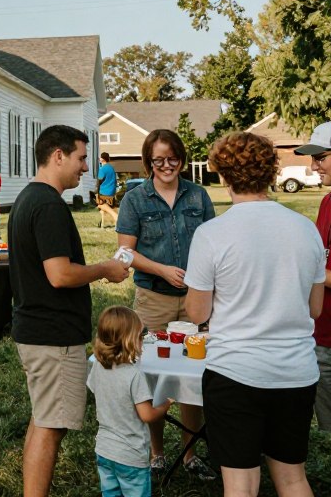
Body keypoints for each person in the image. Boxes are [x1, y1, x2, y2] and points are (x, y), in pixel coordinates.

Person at [185, 132, 325, 497]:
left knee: (241, 485)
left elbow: (198, 311)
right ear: (270, 173)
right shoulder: (305, 229)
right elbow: (316, 308)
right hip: (295, 371)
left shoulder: (212, 233)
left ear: (223, 175)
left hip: (235, 372)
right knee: (293, 478)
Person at [8, 125, 129, 497]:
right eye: (80, 158)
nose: (85, 168)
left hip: (36, 330)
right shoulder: (47, 205)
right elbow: (59, 275)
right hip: (52, 335)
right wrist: (105, 270)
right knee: (50, 426)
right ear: (57, 155)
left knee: (42, 421)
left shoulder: (29, 199)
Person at [115, 129, 216, 481]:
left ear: (182, 160)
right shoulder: (135, 199)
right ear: (148, 162)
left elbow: (213, 244)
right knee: (153, 377)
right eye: (158, 160)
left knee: (193, 377)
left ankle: (189, 454)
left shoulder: (198, 196)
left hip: (195, 301)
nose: (166, 166)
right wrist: (161, 269)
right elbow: (124, 252)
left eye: (172, 159)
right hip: (153, 298)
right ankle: (156, 452)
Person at [295, 121, 331, 497]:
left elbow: (324, 270)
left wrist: (317, 273)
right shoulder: (328, 201)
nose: (315, 166)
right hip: (323, 337)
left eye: (321, 157)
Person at [88, 306, 173, 497]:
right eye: (141, 336)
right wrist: (167, 402)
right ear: (129, 340)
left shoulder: (99, 367)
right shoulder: (135, 375)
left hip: (104, 450)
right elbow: (147, 415)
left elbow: (95, 389)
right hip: (131, 455)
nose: (143, 341)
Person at [96, 152, 119, 229]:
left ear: (102, 159)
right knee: (111, 207)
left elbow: (99, 180)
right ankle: (103, 222)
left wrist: (96, 190)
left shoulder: (103, 169)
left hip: (104, 191)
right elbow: (115, 180)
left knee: (100, 204)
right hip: (112, 191)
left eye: (100, 158)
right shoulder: (111, 168)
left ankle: (112, 219)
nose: (99, 159)